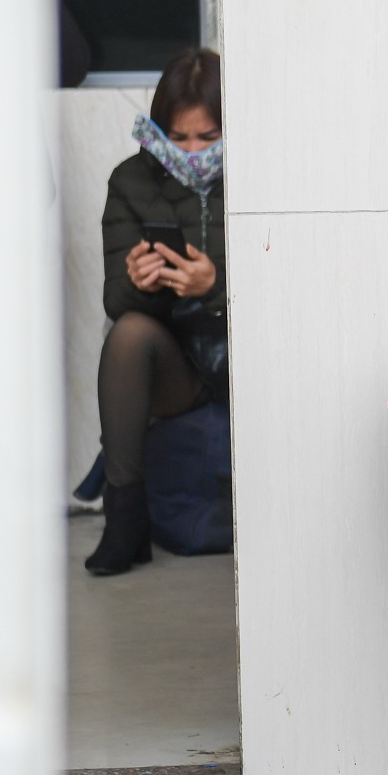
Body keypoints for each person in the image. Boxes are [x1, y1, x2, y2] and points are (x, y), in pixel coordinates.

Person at [87, 47, 228, 576]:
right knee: (128, 332)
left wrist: (216, 284)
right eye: (179, 137)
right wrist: (140, 283)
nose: (192, 151)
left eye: (208, 137)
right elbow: (114, 302)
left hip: (249, 354)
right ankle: (124, 519)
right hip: (184, 363)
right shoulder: (132, 180)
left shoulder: (266, 173)